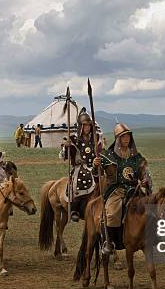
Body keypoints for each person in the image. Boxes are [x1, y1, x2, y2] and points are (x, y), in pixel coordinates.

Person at [98, 123, 151, 254]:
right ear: (117, 139)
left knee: (150, 210)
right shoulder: (107, 156)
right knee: (112, 214)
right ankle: (109, 242)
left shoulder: (137, 157)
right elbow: (97, 174)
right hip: (115, 191)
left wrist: (145, 180)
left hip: (134, 189)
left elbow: (145, 172)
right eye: (123, 137)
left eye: (128, 136)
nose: (126, 139)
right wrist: (96, 165)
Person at [63, 108, 101, 222]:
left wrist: (98, 159)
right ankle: (74, 209)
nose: (87, 128)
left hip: (94, 165)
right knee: (82, 177)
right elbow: (66, 156)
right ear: (80, 126)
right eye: (84, 126)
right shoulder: (74, 139)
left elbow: (99, 151)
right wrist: (67, 147)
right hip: (81, 167)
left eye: (89, 125)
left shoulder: (95, 138)